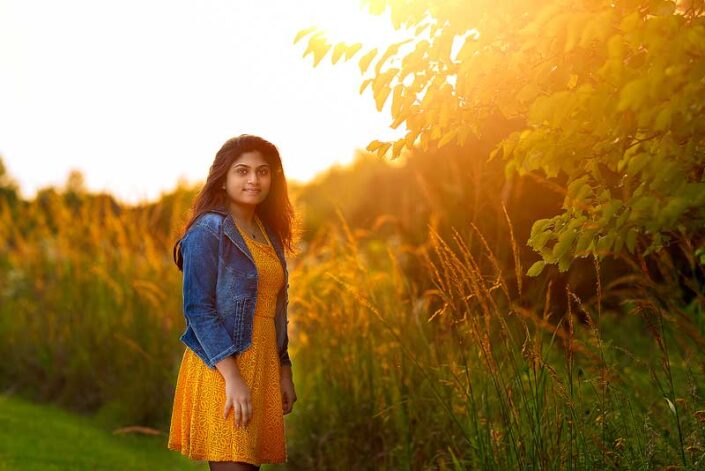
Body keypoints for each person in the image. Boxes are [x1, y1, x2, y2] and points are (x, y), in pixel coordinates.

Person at [167, 134, 298, 470]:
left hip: (263, 364)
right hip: (223, 366)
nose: (254, 179)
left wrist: (284, 369)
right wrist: (232, 377)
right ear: (223, 179)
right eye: (242, 171)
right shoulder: (208, 230)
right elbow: (198, 309)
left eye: (263, 171)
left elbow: (275, 307)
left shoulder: (267, 232)